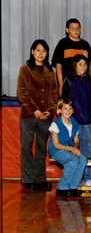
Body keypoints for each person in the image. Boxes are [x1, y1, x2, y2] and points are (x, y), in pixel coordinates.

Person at [17, 39, 58, 192]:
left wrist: (51, 110)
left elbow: (55, 93)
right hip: (28, 116)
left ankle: (39, 179)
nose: (41, 53)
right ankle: (28, 180)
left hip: (45, 117)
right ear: (32, 51)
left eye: (44, 51)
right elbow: (22, 93)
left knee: (41, 148)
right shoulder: (25, 69)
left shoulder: (50, 71)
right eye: (38, 50)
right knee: (27, 147)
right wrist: (35, 110)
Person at [62, 55, 91, 186]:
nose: (83, 67)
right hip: (74, 122)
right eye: (80, 64)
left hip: (88, 121)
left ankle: (88, 177)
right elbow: (64, 101)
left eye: (85, 64)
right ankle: (72, 176)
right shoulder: (69, 81)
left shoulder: (89, 81)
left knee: (87, 150)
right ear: (74, 65)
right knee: (73, 149)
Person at [48, 98, 88, 196]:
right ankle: (62, 186)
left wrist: (74, 147)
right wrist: (72, 149)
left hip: (68, 149)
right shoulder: (55, 124)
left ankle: (73, 186)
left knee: (83, 159)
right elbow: (56, 144)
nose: (68, 111)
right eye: (65, 108)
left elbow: (76, 141)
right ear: (59, 110)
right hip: (56, 150)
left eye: (70, 108)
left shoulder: (75, 123)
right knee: (74, 161)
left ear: (73, 110)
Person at [51, 18, 91, 96]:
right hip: (67, 83)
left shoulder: (85, 45)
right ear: (67, 30)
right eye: (73, 28)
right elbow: (58, 66)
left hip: (82, 83)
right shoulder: (63, 43)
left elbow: (89, 67)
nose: (76, 30)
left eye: (78, 28)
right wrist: (60, 84)